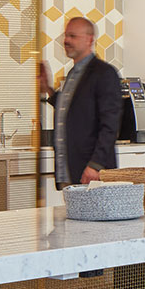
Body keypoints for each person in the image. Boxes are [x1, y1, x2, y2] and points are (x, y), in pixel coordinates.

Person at [36, 15, 122, 188]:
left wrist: (95, 165)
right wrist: (49, 90)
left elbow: (110, 125)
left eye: (73, 36)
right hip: (70, 170)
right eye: (66, 36)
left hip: (91, 173)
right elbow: (76, 110)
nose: (66, 40)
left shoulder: (104, 73)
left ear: (89, 40)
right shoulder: (74, 75)